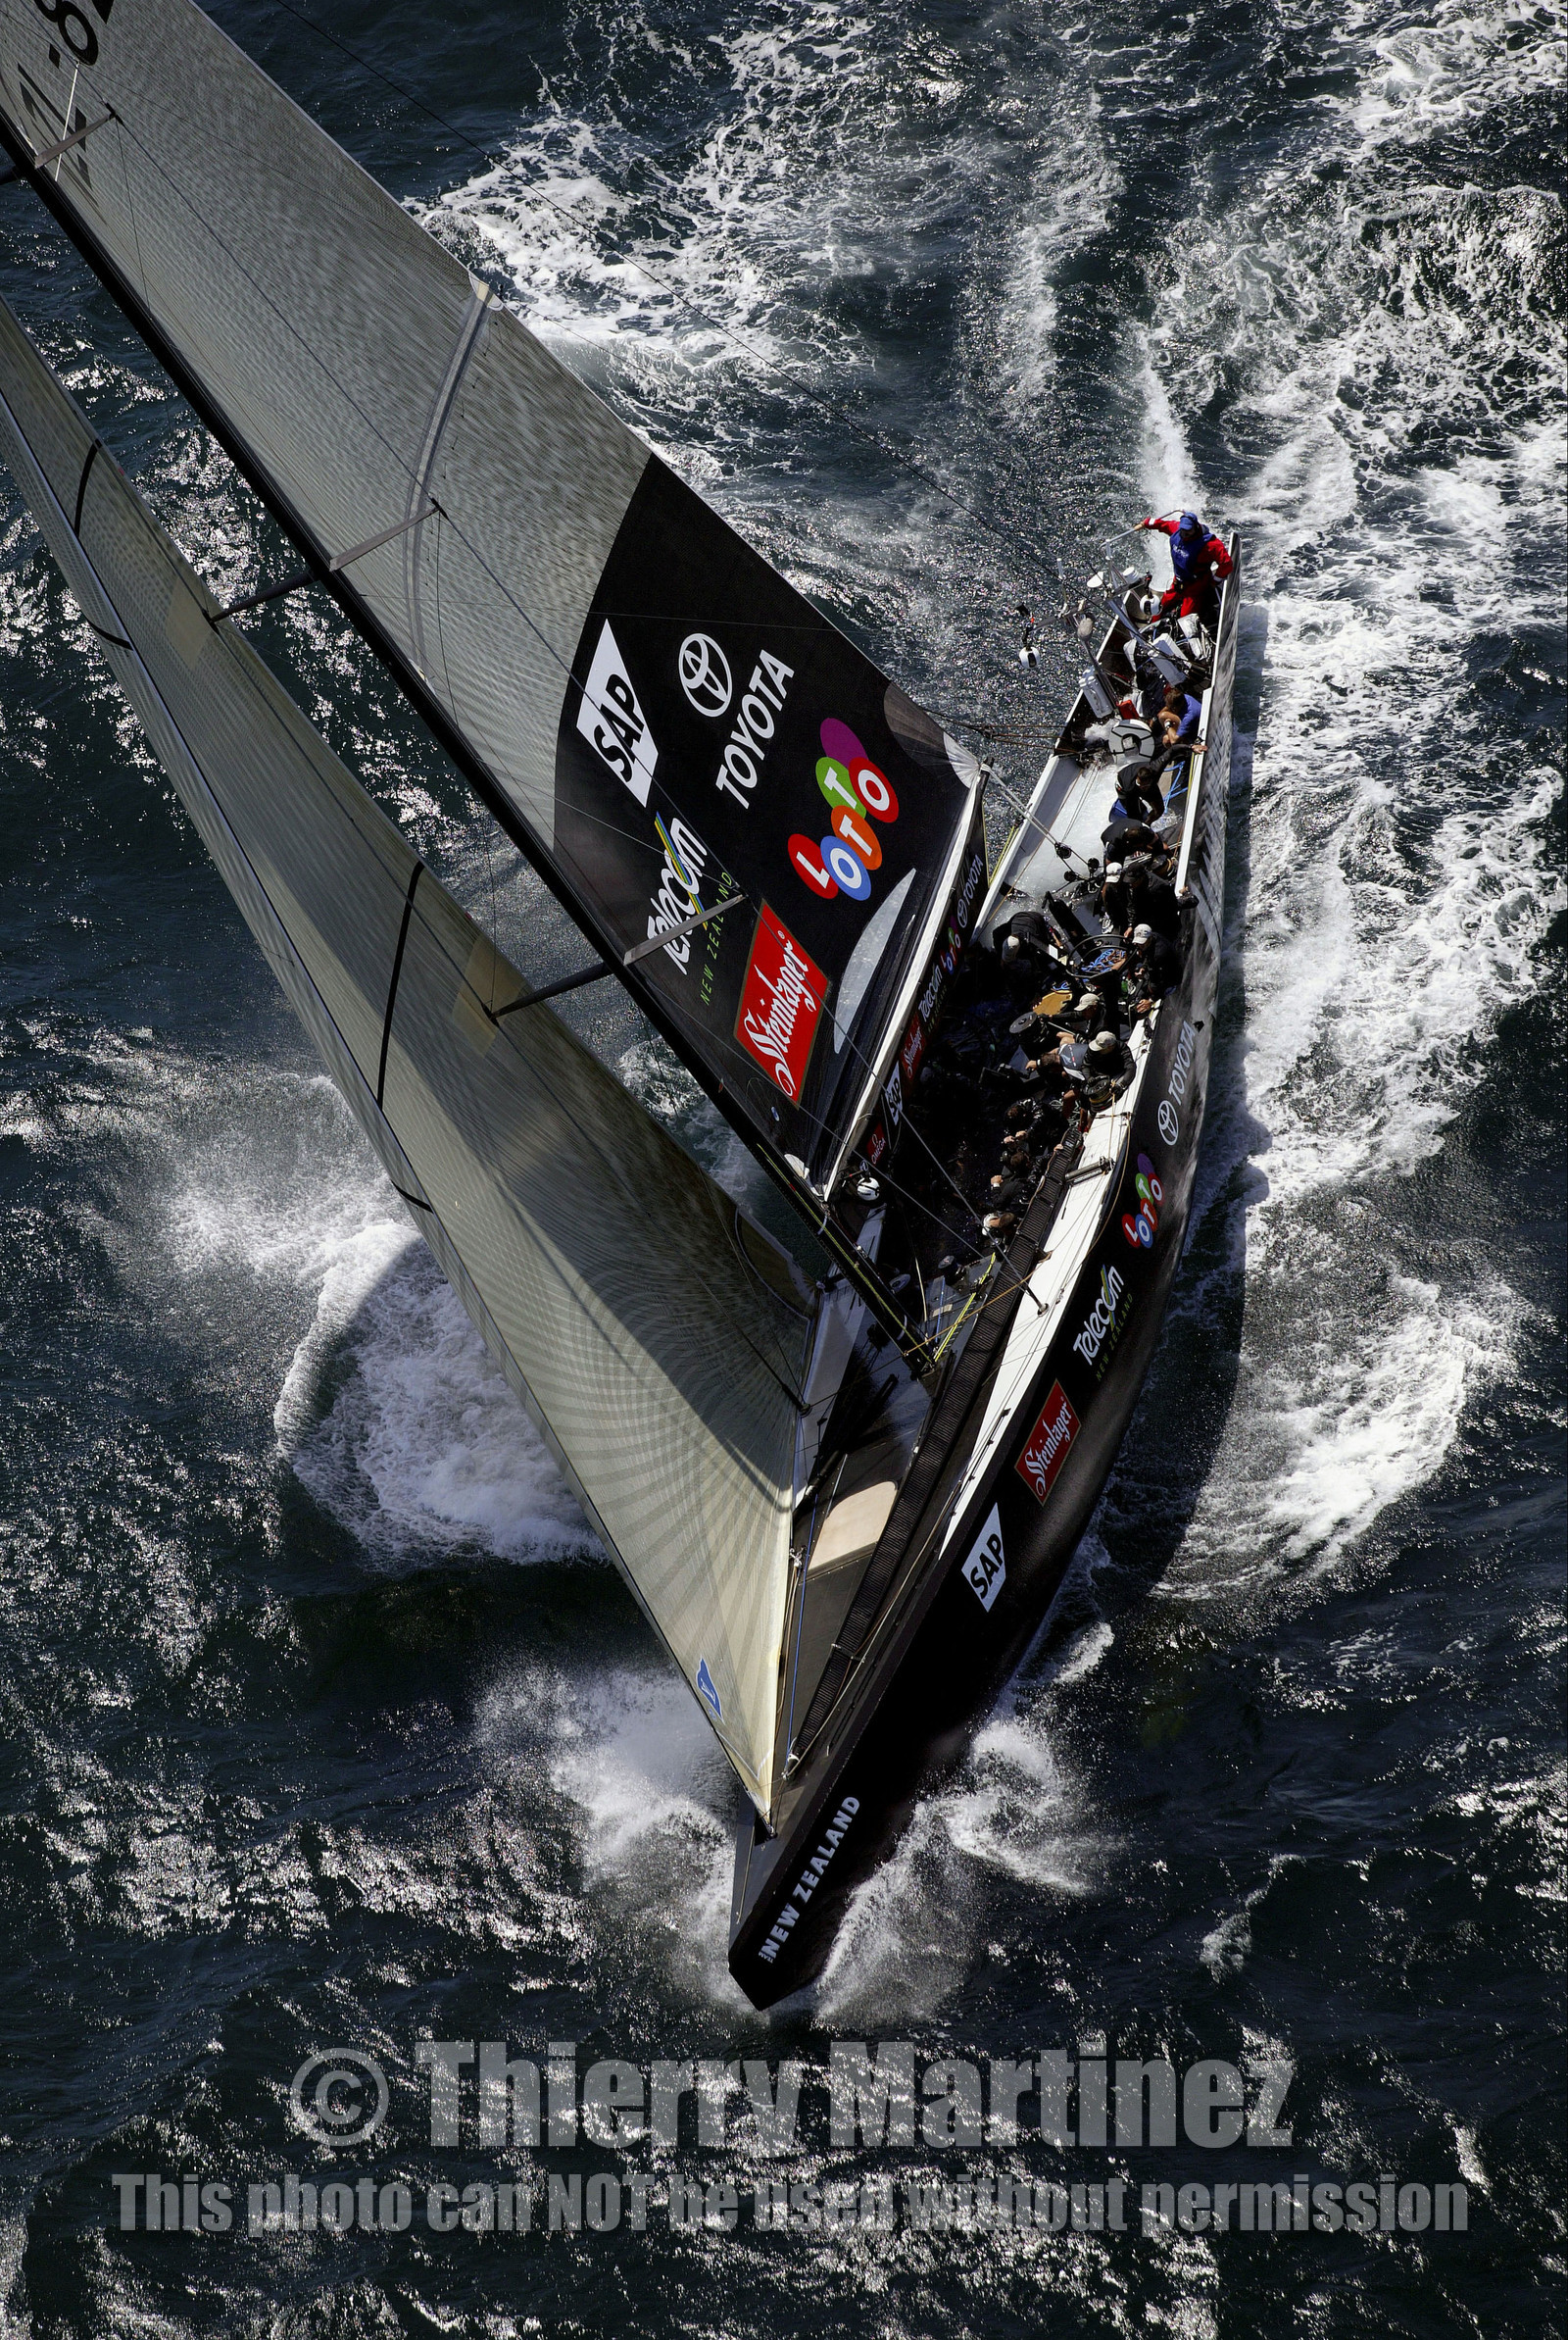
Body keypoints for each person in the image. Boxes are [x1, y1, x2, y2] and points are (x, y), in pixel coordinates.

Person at [1139, 510, 1233, 629]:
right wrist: (1146, 523)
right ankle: (1151, 629)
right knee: (1162, 605)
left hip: (1196, 585)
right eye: (1183, 530)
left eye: (1188, 530)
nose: (1184, 533)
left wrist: (1215, 581)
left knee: (1185, 618)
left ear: (1196, 527)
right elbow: (1162, 524)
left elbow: (1226, 563)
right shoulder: (1177, 530)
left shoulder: (1210, 544)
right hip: (1178, 581)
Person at [1129, 920, 1181, 1008]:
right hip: (1158, 969)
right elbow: (1148, 956)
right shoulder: (1153, 937)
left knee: (1139, 999)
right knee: (1138, 967)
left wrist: (1151, 1000)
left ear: (1149, 938)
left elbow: (1161, 979)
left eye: (1142, 943)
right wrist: (1143, 968)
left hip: (1169, 978)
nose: (1140, 946)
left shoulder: (1159, 954)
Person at [1125, 865, 1178, 943]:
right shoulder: (1134, 886)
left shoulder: (1160, 887)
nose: (1131, 885)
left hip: (1163, 924)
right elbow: (1133, 905)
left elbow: (1170, 909)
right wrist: (1131, 925)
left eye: (1133, 882)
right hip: (1146, 918)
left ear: (1141, 877)